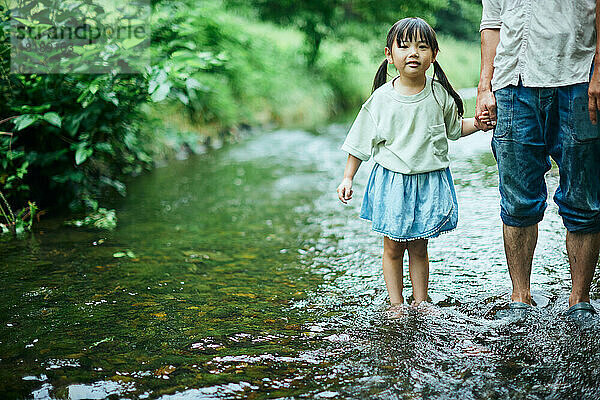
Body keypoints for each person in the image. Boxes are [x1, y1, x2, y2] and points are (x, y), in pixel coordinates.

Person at [337, 17, 490, 314]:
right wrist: (347, 178)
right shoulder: (381, 99)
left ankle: (421, 301)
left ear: (433, 55)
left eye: (422, 47)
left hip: (428, 180)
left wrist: (480, 124)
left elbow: (455, 129)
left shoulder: (438, 93)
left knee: (420, 246)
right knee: (393, 247)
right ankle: (396, 304)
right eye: (404, 46)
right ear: (388, 54)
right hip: (392, 181)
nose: (413, 53)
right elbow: (358, 142)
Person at [476, 0, 600, 320]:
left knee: (583, 198)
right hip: (512, 84)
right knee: (517, 201)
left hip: (578, 77)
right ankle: (520, 297)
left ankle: (579, 301)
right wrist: (484, 86)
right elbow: (491, 22)